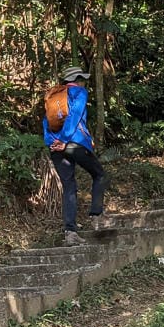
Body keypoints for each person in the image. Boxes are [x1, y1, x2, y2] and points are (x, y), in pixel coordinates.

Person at [43, 64, 109, 245]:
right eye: (82, 80)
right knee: (99, 174)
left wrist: (53, 144)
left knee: (69, 186)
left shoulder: (52, 97)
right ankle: (97, 216)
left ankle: (70, 232)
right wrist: (65, 140)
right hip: (74, 143)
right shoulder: (79, 93)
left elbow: (46, 123)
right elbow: (74, 116)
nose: (83, 83)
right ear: (78, 80)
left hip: (56, 148)